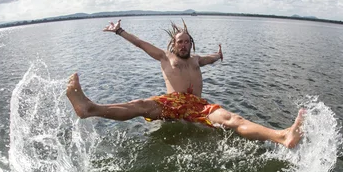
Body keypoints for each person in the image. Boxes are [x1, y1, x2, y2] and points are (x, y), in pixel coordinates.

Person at [66, 19, 304, 148]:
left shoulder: (196, 60)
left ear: (191, 44)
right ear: (173, 44)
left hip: (198, 106)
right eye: (180, 42)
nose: (184, 45)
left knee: (233, 119)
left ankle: (282, 137)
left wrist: (219, 56)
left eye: (187, 42)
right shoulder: (164, 57)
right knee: (140, 105)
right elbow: (140, 43)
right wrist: (120, 32)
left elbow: (209, 58)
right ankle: (88, 109)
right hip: (172, 104)